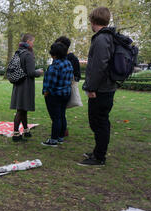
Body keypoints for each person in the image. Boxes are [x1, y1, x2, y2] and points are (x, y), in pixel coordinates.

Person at [79, 7, 117, 166]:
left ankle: (99, 157)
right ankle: (97, 152)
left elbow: (99, 66)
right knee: (99, 121)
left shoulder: (102, 39)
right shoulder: (108, 37)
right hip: (105, 87)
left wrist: (91, 88)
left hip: (101, 89)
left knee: (98, 122)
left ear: (93, 21)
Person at [10, 33, 43, 142]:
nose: (33, 43)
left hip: (18, 84)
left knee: (23, 109)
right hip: (25, 86)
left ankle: (26, 130)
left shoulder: (18, 52)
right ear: (28, 42)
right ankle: (15, 134)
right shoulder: (28, 54)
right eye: (32, 41)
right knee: (21, 110)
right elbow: (31, 72)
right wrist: (39, 72)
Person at [41, 42, 73, 147]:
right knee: (62, 115)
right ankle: (60, 137)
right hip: (66, 93)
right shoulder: (68, 63)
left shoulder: (54, 67)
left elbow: (51, 84)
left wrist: (46, 93)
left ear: (54, 54)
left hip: (54, 95)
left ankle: (53, 140)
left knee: (56, 118)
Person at [55, 36, 81, 137]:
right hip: (61, 89)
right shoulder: (60, 57)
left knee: (59, 112)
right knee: (61, 112)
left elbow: (77, 75)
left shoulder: (71, 58)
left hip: (63, 89)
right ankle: (62, 131)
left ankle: (60, 132)